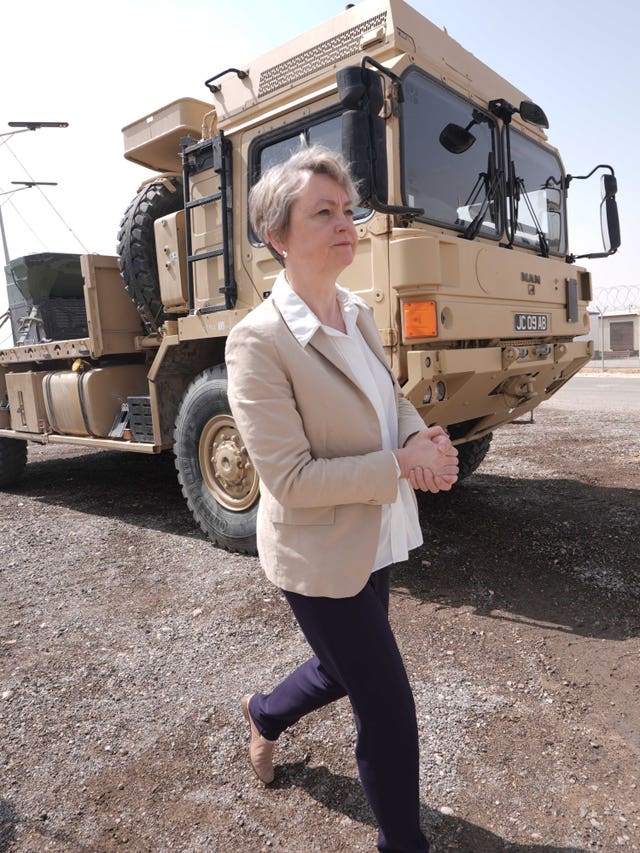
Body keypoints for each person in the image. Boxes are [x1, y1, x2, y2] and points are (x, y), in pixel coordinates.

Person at [225, 146, 458, 853]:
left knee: (340, 667)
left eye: (347, 209)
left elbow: (387, 401)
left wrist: (428, 443)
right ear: (278, 237)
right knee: (386, 704)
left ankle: (264, 713)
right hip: (316, 550)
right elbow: (290, 478)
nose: (344, 222)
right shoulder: (257, 343)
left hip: (372, 534)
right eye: (321, 212)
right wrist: (398, 461)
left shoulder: (355, 312)